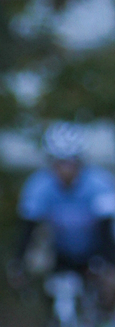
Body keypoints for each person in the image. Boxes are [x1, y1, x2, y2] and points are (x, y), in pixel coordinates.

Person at [10, 121, 115, 295]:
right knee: (49, 286)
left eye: (71, 163)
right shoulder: (38, 185)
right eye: (60, 163)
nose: (66, 170)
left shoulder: (100, 183)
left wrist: (111, 266)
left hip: (97, 249)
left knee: (107, 288)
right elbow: (28, 228)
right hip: (60, 252)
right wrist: (18, 263)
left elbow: (106, 230)